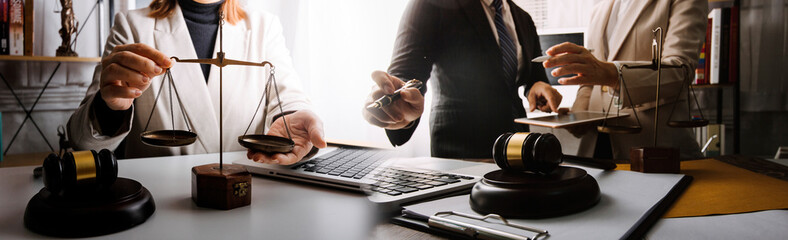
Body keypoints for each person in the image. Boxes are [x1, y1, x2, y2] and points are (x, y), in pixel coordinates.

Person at [67, 0, 326, 165]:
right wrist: (110, 108)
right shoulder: (132, 25)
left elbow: (288, 93)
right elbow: (82, 141)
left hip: (245, 191)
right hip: (160, 200)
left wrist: (293, 120)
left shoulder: (264, 26)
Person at [362, 0, 562, 158]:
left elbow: (534, 76)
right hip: (460, 151)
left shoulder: (523, 18)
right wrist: (398, 104)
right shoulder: (431, 4)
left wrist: (538, 86)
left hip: (517, 148)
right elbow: (406, 72)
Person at [543, 0, 706, 159]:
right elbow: (591, 79)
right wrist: (577, 117)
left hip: (651, 148)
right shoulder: (599, 9)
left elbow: (681, 70)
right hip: (596, 147)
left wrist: (612, 74)